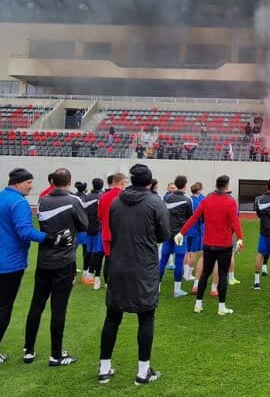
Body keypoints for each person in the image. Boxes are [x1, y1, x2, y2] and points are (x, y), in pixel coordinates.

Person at [0, 168, 70, 367]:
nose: (31, 186)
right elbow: (25, 231)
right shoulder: (19, 202)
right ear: (18, 183)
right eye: (29, 183)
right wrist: (51, 238)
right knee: (3, 306)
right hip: (9, 263)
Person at [98, 164, 169, 386]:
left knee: (112, 318)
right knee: (146, 317)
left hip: (118, 264)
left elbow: (114, 229)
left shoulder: (117, 202)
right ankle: (143, 371)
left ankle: (104, 368)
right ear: (149, 182)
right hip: (143, 266)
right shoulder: (155, 202)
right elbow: (164, 234)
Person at [23, 168, 87, 366]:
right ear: (69, 182)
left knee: (37, 304)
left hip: (44, 259)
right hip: (64, 261)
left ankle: (29, 350)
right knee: (59, 308)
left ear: (52, 181)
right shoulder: (74, 200)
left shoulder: (42, 200)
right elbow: (84, 225)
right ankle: (56, 355)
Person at [177, 175, 244, 315]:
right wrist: (240, 238)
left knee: (204, 274)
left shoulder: (207, 200)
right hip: (224, 244)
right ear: (226, 186)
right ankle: (221, 307)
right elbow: (235, 221)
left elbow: (194, 218)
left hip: (208, 243)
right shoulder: (230, 202)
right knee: (222, 275)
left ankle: (198, 304)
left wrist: (181, 233)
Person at [160, 176, 194, 298]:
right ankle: (177, 290)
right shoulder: (187, 199)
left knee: (163, 260)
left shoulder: (167, 198)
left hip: (168, 233)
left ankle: (156, 288)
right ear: (185, 185)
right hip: (180, 235)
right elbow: (191, 217)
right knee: (179, 261)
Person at [97, 173, 131, 291]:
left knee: (108, 258)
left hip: (107, 231)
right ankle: (120, 282)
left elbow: (100, 216)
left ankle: (107, 282)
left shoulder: (103, 196)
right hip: (122, 233)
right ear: (122, 183)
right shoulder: (125, 196)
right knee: (122, 259)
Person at [80, 178, 104, 286]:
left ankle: (85, 272)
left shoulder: (86, 197)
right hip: (98, 228)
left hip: (87, 227)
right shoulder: (101, 197)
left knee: (88, 250)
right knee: (97, 252)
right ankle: (90, 275)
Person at [184, 183, 206, 285]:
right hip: (196, 229)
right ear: (200, 189)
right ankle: (188, 274)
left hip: (186, 229)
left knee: (187, 251)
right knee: (193, 252)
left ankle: (185, 272)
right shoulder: (201, 201)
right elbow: (202, 217)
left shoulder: (188, 199)